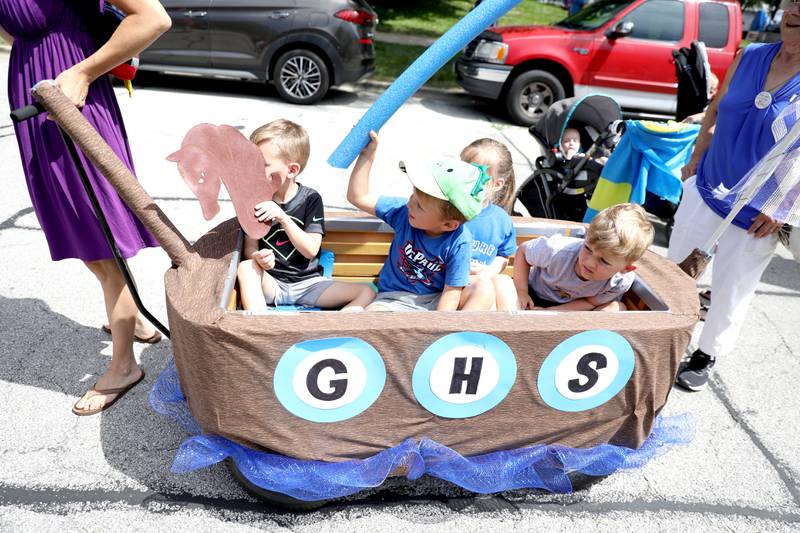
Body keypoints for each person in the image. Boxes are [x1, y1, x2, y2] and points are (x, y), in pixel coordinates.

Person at [0, 0, 171, 415]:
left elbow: (153, 18)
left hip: (73, 95)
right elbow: (15, 31)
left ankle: (125, 365)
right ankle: (135, 322)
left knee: (102, 237)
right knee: (78, 229)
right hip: (33, 87)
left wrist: (82, 71)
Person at [667, 0, 800, 392]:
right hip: (710, 183)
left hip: (763, 208)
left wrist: (785, 207)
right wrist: (696, 155)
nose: (796, 11)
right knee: (677, 270)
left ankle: (706, 354)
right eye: (793, 2)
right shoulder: (751, 55)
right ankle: (663, 334)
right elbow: (716, 106)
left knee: (733, 285)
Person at [347, 131, 495, 312]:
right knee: (374, 316)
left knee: (483, 288)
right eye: (412, 196)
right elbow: (358, 196)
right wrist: (367, 154)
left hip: (436, 300)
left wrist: (435, 327)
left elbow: (451, 292)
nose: (410, 204)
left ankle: (451, 338)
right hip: (393, 300)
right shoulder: (404, 212)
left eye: (420, 206)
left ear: (448, 225)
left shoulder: (460, 241)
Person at [237, 120, 375, 312]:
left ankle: (334, 328)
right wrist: (258, 257)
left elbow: (310, 250)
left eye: (263, 165)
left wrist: (283, 218)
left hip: (309, 285)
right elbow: (250, 247)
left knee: (367, 293)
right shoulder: (255, 199)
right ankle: (260, 326)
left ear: (292, 170)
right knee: (246, 268)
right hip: (272, 282)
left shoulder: (310, 199)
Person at [507, 203, 653, 312]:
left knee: (617, 308)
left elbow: (590, 302)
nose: (589, 262)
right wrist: (521, 291)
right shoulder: (557, 250)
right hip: (533, 293)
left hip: (573, 308)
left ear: (626, 268)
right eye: (588, 248)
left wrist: (551, 313)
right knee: (505, 292)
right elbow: (523, 251)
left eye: (603, 261)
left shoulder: (619, 282)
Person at [459, 138, 518, 310]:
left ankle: (510, 334)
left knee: (504, 281)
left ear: (497, 184)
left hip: (482, 281)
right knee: (484, 290)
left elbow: (503, 256)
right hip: (448, 283)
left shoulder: (501, 220)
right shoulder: (447, 211)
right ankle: (461, 336)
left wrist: (489, 270)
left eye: (476, 177)